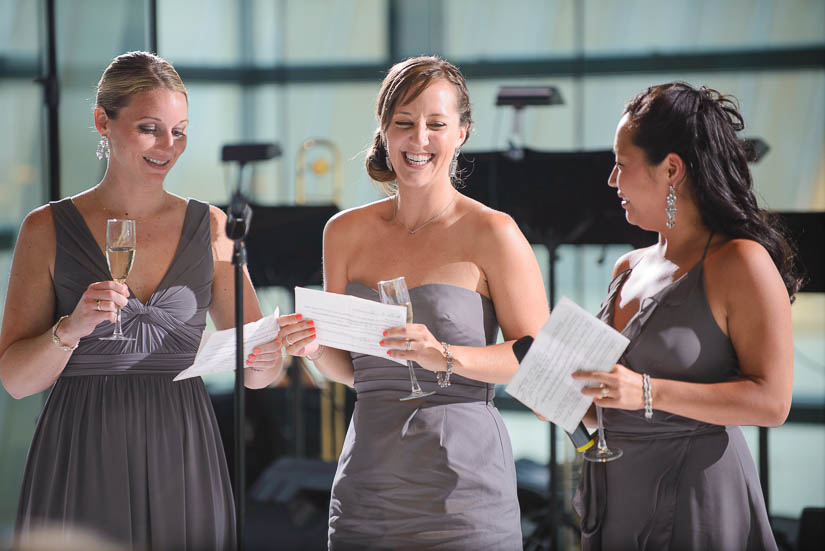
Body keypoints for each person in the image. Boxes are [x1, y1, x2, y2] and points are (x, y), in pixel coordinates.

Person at [0, 51, 284, 550]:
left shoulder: (213, 227)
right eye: (150, 128)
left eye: (179, 130)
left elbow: (259, 372)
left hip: (183, 446)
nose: (167, 146)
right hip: (81, 447)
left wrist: (274, 350)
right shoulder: (45, 229)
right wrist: (69, 329)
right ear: (102, 122)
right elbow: (15, 381)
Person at [277, 56, 549, 549]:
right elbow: (355, 370)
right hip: (367, 487)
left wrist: (444, 356)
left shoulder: (494, 232)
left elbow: (540, 358)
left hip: (464, 491)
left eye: (436, 124)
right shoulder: (343, 232)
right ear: (384, 130)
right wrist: (313, 349)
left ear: (462, 132)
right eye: (403, 123)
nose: (418, 139)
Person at [569, 82, 797, 550]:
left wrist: (646, 392)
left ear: (671, 169)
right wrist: (562, 397)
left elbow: (773, 402)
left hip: (698, 498)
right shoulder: (626, 267)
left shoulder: (740, 262)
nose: (612, 180)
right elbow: (602, 409)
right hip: (617, 495)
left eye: (622, 164)